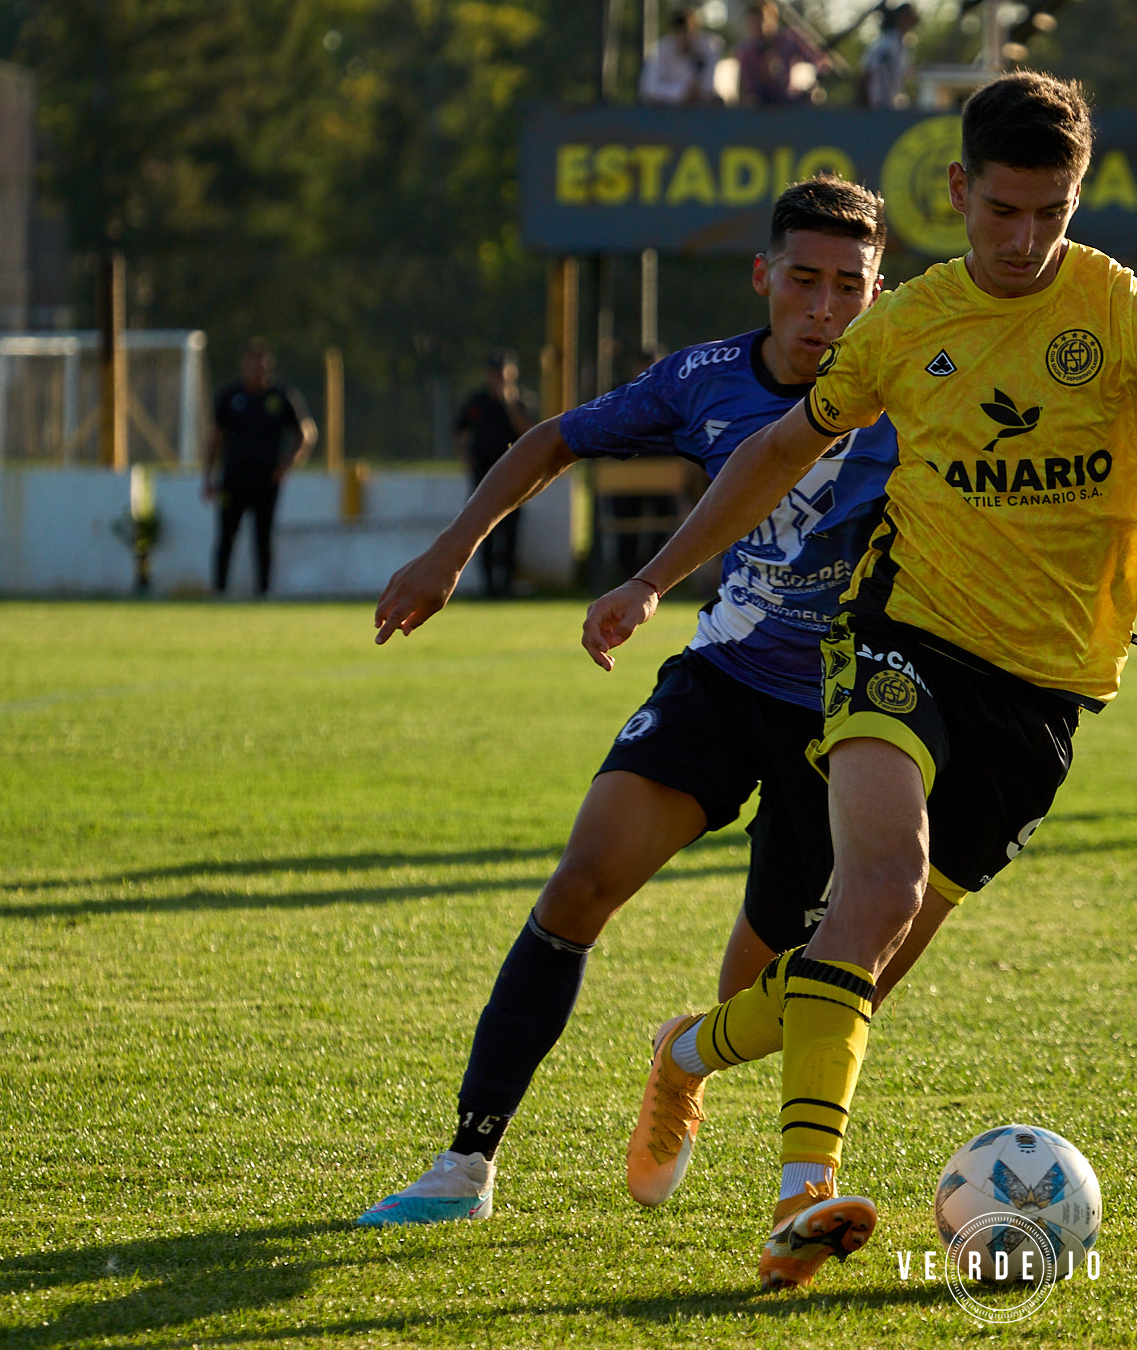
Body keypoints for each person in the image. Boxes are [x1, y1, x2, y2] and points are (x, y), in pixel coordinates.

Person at [581, 71, 1137, 1291]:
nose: (1026, 241)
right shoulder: (902, 324)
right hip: (901, 636)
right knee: (879, 878)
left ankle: (688, 1052)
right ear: (959, 191)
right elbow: (773, 450)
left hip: (1050, 694)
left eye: (1053, 213)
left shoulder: (1129, 318)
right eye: (1003, 211)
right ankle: (800, 1203)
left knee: (853, 966)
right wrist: (654, 577)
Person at [356, 177, 906, 1228]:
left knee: (771, 995)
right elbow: (552, 437)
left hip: (850, 723)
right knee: (579, 885)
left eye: (849, 286)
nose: (824, 310)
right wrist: (447, 552)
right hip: (725, 677)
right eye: (803, 280)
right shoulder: (702, 379)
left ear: (878, 292)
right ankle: (464, 1167)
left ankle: (681, 1061)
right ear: (764, 277)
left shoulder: (915, 389)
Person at [203, 339, 315, 596]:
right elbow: (215, 438)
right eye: (251, 362)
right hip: (233, 478)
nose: (256, 368)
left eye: (260, 363)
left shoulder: (281, 396)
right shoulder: (230, 396)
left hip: (266, 479)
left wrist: (288, 465)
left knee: (262, 537)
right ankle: (219, 590)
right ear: (244, 365)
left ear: (268, 367)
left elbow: (306, 434)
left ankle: (262, 592)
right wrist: (208, 477)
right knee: (226, 535)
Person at [453, 354, 535, 598]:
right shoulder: (477, 401)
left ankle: (506, 585)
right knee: (481, 530)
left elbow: (528, 433)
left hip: (513, 476)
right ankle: (488, 586)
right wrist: (466, 457)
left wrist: (509, 403)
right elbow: (458, 430)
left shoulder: (521, 402)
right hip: (483, 474)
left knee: (510, 531)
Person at [734, 0, 825, 106]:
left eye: (761, 21)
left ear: (773, 20)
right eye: (752, 23)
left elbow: (820, 62)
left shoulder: (791, 40)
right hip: (762, 107)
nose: (757, 27)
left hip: (796, 103)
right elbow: (749, 87)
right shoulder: (746, 51)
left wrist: (804, 78)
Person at [640, 8, 725, 106]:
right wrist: (682, 92)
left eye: (689, 32)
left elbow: (710, 87)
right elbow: (648, 88)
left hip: (701, 111)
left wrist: (699, 92)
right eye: (680, 32)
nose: (685, 37)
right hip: (666, 113)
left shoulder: (710, 47)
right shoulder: (661, 50)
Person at [858, 2, 918, 109]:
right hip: (878, 103)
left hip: (893, 103)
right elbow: (867, 74)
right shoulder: (886, 43)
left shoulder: (903, 44)